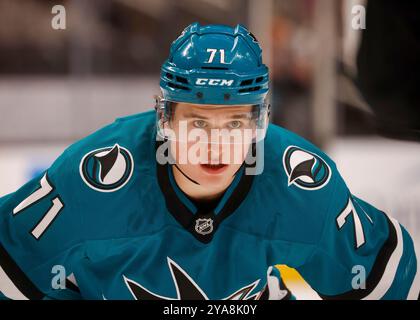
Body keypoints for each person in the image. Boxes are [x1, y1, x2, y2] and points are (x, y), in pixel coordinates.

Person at [0, 23, 418, 300]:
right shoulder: (92, 180)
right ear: (164, 118)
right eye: (197, 122)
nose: (215, 145)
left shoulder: (301, 183)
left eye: (235, 123)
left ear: (261, 122)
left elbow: (392, 277)